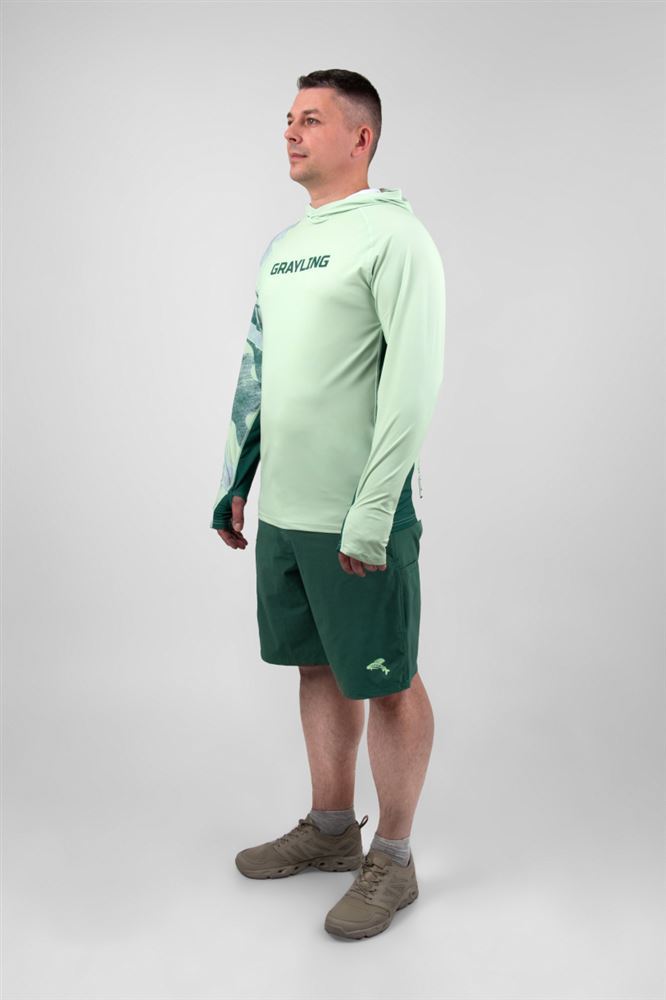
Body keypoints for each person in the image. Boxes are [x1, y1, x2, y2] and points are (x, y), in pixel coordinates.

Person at [210, 68, 446, 940]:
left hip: (360, 512)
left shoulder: (396, 238)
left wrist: (374, 513)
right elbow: (258, 370)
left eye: (310, 119)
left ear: (361, 138)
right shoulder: (284, 247)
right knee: (317, 667)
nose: (290, 132)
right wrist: (237, 480)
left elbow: (413, 388)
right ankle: (331, 828)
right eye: (288, 118)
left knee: (388, 678)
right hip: (286, 511)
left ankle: (396, 859)